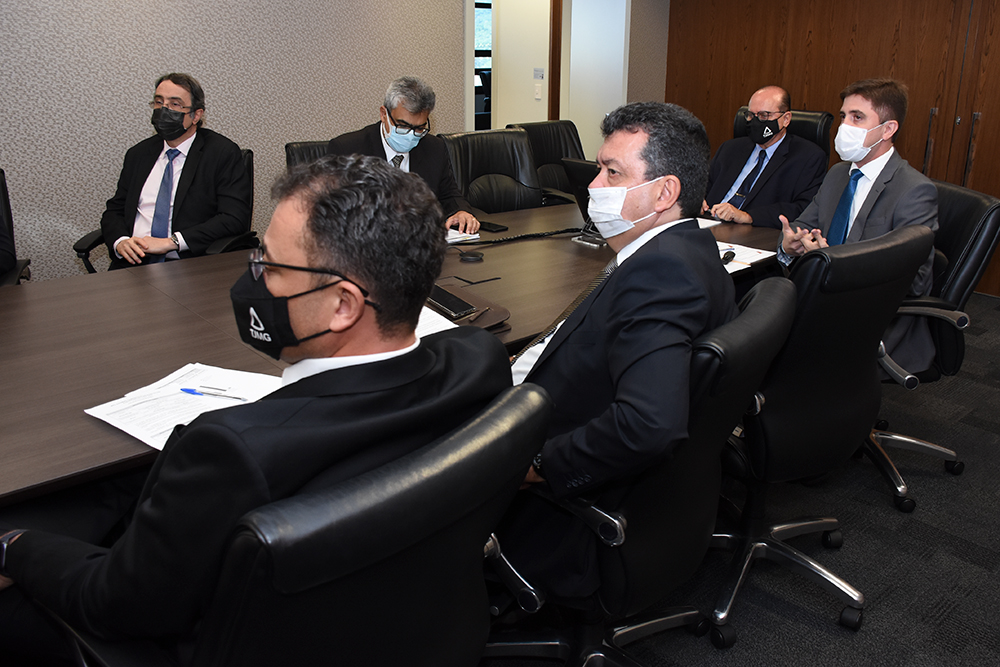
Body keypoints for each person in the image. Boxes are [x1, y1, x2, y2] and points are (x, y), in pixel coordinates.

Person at [0, 154, 511, 663]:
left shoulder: (232, 451)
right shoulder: (477, 361)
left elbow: (117, 604)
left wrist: (15, 545)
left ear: (343, 305)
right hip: (415, 627)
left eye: (269, 264)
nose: (253, 279)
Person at [501, 102, 738, 599]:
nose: (593, 186)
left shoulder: (661, 273)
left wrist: (535, 466)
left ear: (664, 192)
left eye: (612, 173)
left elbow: (648, 424)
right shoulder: (688, 249)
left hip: (563, 510)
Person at [779, 78, 938, 374]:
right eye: (843, 116)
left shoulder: (914, 190)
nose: (844, 127)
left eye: (857, 117)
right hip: (821, 303)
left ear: (888, 129)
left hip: (871, 320)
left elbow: (915, 281)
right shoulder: (838, 174)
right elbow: (802, 225)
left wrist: (834, 262)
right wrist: (790, 243)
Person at [99, 73, 252, 269]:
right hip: (134, 262)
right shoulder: (138, 154)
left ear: (196, 115)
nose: (164, 110)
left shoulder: (221, 153)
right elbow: (115, 209)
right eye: (159, 102)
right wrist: (120, 241)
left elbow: (233, 218)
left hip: (188, 264)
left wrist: (171, 242)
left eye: (175, 104)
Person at [327, 76, 480, 234]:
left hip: (420, 242)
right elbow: (333, 211)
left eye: (419, 128)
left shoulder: (434, 148)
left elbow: (449, 195)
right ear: (384, 114)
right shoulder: (347, 150)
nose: (411, 135)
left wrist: (461, 212)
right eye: (403, 126)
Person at [704, 85, 827, 228]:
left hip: (753, 232)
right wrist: (696, 201)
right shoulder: (730, 148)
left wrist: (748, 216)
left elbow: (803, 208)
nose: (756, 122)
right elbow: (704, 186)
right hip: (707, 223)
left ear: (786, 119)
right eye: (751, 115)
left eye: (764, 116)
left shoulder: (808, 157)